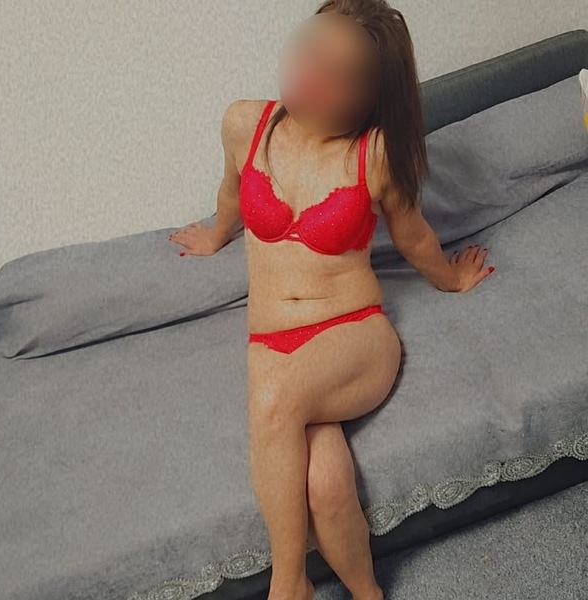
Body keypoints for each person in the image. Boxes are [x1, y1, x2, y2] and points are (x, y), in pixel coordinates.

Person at [170, 1, 494, 599]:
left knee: (272, 400)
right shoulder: (244, 123)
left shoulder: (374, 153)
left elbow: (413, 235)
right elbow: (231, 192)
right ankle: (370, 594)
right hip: (273, 345)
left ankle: (288, 584)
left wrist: (451, 278)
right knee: (323, 482)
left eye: (337, 73)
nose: (312, 74)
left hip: (352, 336)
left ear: (368, 97)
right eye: (311, 51)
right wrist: (215, 234)